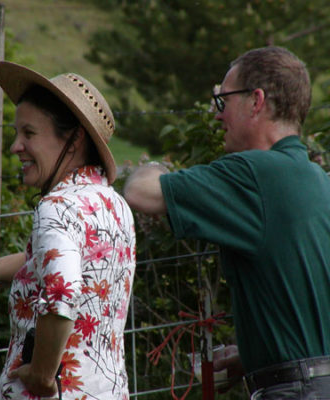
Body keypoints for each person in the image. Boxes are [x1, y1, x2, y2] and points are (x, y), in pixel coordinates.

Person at [124, 46, 330, 399]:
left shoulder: (252, 173)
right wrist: (254, 355)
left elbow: (140, 193)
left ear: (256, 101)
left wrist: (150, 168)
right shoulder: (319, 179)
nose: (218, 116)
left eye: (223, 101)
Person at [0, 62, 136, 400]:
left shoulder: (56, 208)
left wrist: (41, 377)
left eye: (29, 133)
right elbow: (42, 261)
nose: (15, 146)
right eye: (16, 134)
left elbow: (61, 293)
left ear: (73, 138)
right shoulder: (113, 204)